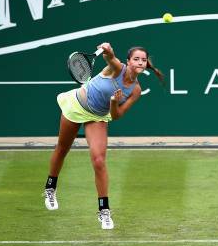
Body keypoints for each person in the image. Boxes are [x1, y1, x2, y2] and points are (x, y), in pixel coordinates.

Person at [43, 42, 164, 229]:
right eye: (136, 59)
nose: (140, 62)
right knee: (63, 148)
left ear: (146, 64)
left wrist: (114, 102)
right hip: (77, 105)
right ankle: (50, 187)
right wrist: (107, 50)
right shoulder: (116, 68)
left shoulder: (136, 90)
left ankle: (104, 211)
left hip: (98, 116)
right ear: (128, 61)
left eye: (143, 60)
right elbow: (109, 57)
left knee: (99, 161)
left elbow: (116, 115)